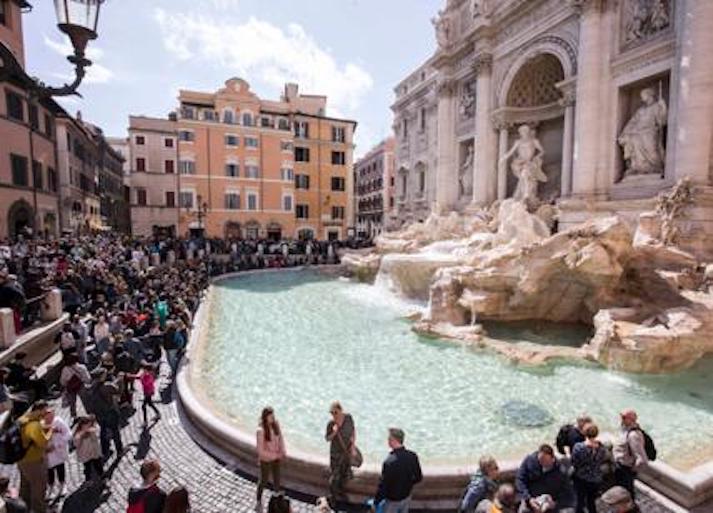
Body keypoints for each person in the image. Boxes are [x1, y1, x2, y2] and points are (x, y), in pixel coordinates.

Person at [373, 428, 422, 513]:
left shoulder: (389, 461)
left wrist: (375, 502)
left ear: (393, 440)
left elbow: (384, 486)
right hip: (406, 496)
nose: (387, 441)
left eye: (389, 439)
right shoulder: (412, 456)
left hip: (391, 501)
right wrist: (408, 485)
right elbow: (418, 477)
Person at [515, 444, 574, 513]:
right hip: (531, 498)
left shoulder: (561, 470)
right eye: (540, 460)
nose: (542, 464)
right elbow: (520, 480)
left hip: (551, 502)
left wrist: (554, 504)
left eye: (545, 461)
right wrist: (529, 499)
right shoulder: (529, 461)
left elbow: (568, 493)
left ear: (553, 459)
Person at [17, 400, 51, 513]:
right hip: (33, 462)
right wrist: (51, 430)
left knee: (25, 487)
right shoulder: (34, 424)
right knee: (39, 488)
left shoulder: (23, 419)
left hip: (21, 460)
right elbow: (44, 442)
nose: (46, 414)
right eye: (45, 411)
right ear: (39, 410)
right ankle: (39, 510)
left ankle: (22, 508)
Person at [571, 423, 607, 513]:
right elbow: (602, 460)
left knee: (580, 501)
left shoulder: (579, 447)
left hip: (581, 478)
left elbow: (574, 462)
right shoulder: (602, 448)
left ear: (584, 433)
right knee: (591, 501)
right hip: (596, 478)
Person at [325, 401, 356, 506]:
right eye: (332, 413)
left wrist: (353, 447)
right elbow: (327, 439)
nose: (334, 415)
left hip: (346, 452)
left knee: (344, 474)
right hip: (335, 454)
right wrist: (334, 432)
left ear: (341, 410)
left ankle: (341, 492)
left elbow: (353, 431)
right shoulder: (331, 424)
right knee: (334, 477)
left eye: (335, 412)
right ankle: (333, 497)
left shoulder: (348, 418)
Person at [612, 410, 648, 499]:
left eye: (624, 418)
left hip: (626, 469)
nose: (621, 419)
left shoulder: (633, 435)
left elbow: (642, 459)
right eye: (621, 417)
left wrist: (632, 471)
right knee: (622, 490)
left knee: (627, 492)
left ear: (632, 420)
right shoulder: (625, 428)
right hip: (621, 466)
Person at [256, 407, 286, 509]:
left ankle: (276, 499)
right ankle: (258, 499)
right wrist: (275, 455)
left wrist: (283, 450)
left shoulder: (276, 424)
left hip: (276, 457)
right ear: (265, 417)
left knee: (277, 479)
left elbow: (280, 437)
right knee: (263, 480)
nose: (273, 417)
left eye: (273, 415)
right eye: (270, 416)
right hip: (266, 460)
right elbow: (260, 451)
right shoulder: (260, 430)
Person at [44, 408, 71, 499]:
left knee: (60, 469)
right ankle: (50, 488)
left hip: (58, 451)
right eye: (48, 416)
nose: (50, 418)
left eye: (52, 415)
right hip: (47, 453)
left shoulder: (59, 421)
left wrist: (57, 444)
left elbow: (68, 434)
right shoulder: (40, 424)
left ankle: (62, 485)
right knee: (49, 471)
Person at [73, 415, 103, 484]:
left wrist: (92, 433)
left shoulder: (93, 430)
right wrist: (81, 434)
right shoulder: (78, 434)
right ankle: (88, 480)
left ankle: (102, 476)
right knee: (87, 467)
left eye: (89, 425)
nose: (88, 427)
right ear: (82, 425)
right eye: (86, 425)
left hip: (94, 452)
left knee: (98, 464)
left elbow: (97, 436)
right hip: (85, 454)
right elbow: (76, 443)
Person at [59, 353, 91, 418]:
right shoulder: (81, 367)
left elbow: (62, 381)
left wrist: (66, 384)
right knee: (85, 401)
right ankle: (90, 413)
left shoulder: (65, 369)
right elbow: (87, 378)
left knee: (72, 403)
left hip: (71, 388)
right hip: (80, 386)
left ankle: (73, 416)